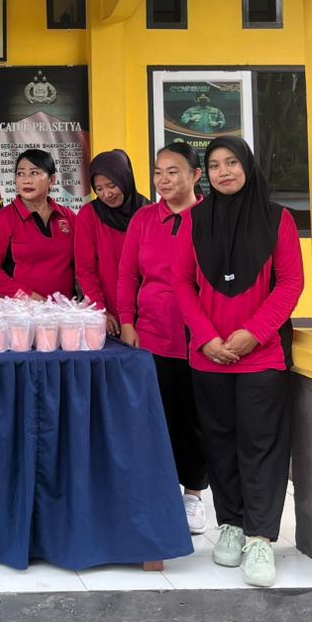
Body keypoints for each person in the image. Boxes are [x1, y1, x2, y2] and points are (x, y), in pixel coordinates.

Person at [172, 135, 304, 588]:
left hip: (262, 356)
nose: (223, 172)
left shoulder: (278, 219)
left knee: (261, 446)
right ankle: (229, 524)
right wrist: (206, 337)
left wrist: (254, 333)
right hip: (209, 357)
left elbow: (290, 283)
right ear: (205, 175)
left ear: (247, 165)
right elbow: (182, 283)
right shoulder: (194, 220)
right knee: (220, 444)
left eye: (231, 162)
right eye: (214, 165)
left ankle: (260, 537)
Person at [116, 142, 209, 534]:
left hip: (199, 336)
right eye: (158, 172)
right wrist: (127, 321)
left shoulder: (211, 217)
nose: (164, 180)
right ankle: (159, 491)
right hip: (152, 334)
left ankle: (194, 495)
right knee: (157, 416)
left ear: (195, 175)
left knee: (195, 419)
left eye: (173, 171)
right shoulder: (144, 219)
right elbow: (127, 274)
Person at [0, 149, 77, 298]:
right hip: (21, 309)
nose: (26, 180)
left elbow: (84, 262)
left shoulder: (68, 217)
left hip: (65, 307)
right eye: (20, 173)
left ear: (52, 180)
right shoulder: (3, 220)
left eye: (34, 173)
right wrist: (28, 296)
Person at [75, 148, 150, 332]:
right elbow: (85, 269)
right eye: (99, 189)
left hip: (149, 313)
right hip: (108, 313)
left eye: (111, 185)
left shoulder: (148, 213)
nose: (106, 194)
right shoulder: (89, 215)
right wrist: (99, 310)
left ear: (125, 179)